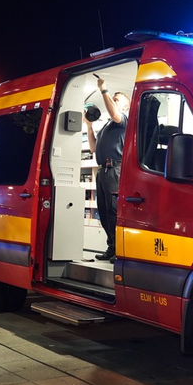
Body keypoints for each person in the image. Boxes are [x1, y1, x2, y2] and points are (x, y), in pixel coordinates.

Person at [85, 77, 129, 262]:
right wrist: (89, 127)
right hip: (103, 171)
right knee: (104, 211)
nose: (113, 100)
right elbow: (93, 148)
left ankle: (120, 250)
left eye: (117, 100)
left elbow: (114, 113)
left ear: (125, 107)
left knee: (113, 211)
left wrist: (104, 90)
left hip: (114, 169)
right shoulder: (108, 125)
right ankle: (112, 247)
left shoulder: (123, 120)